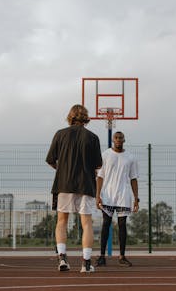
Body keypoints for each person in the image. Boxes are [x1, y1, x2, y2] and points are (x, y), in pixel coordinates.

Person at [46, 104, 102, 273]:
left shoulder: (60, 134)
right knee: (86, 224)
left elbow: (50, 159)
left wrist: (62, 170)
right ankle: (85, 263)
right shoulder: (93, 137)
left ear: (70, 116)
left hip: (64, 184)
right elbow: (98, 164)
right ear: (86, 118)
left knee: (61, 221)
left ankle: (62, 258)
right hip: (86, 184)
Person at [95, 131, 139, 267]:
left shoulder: (130, 157)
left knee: (122, 225)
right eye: (116, 138)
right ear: (113, 140)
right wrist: (97, 195)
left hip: (123, 195)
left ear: (124, 140)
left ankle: (122, 256)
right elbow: (100, 177)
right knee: (106, 224)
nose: (118, 140)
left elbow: (133, 179)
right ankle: (102, 256)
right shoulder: (106, 155)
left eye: (121, 138)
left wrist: (136, 198)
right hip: (107, 195)